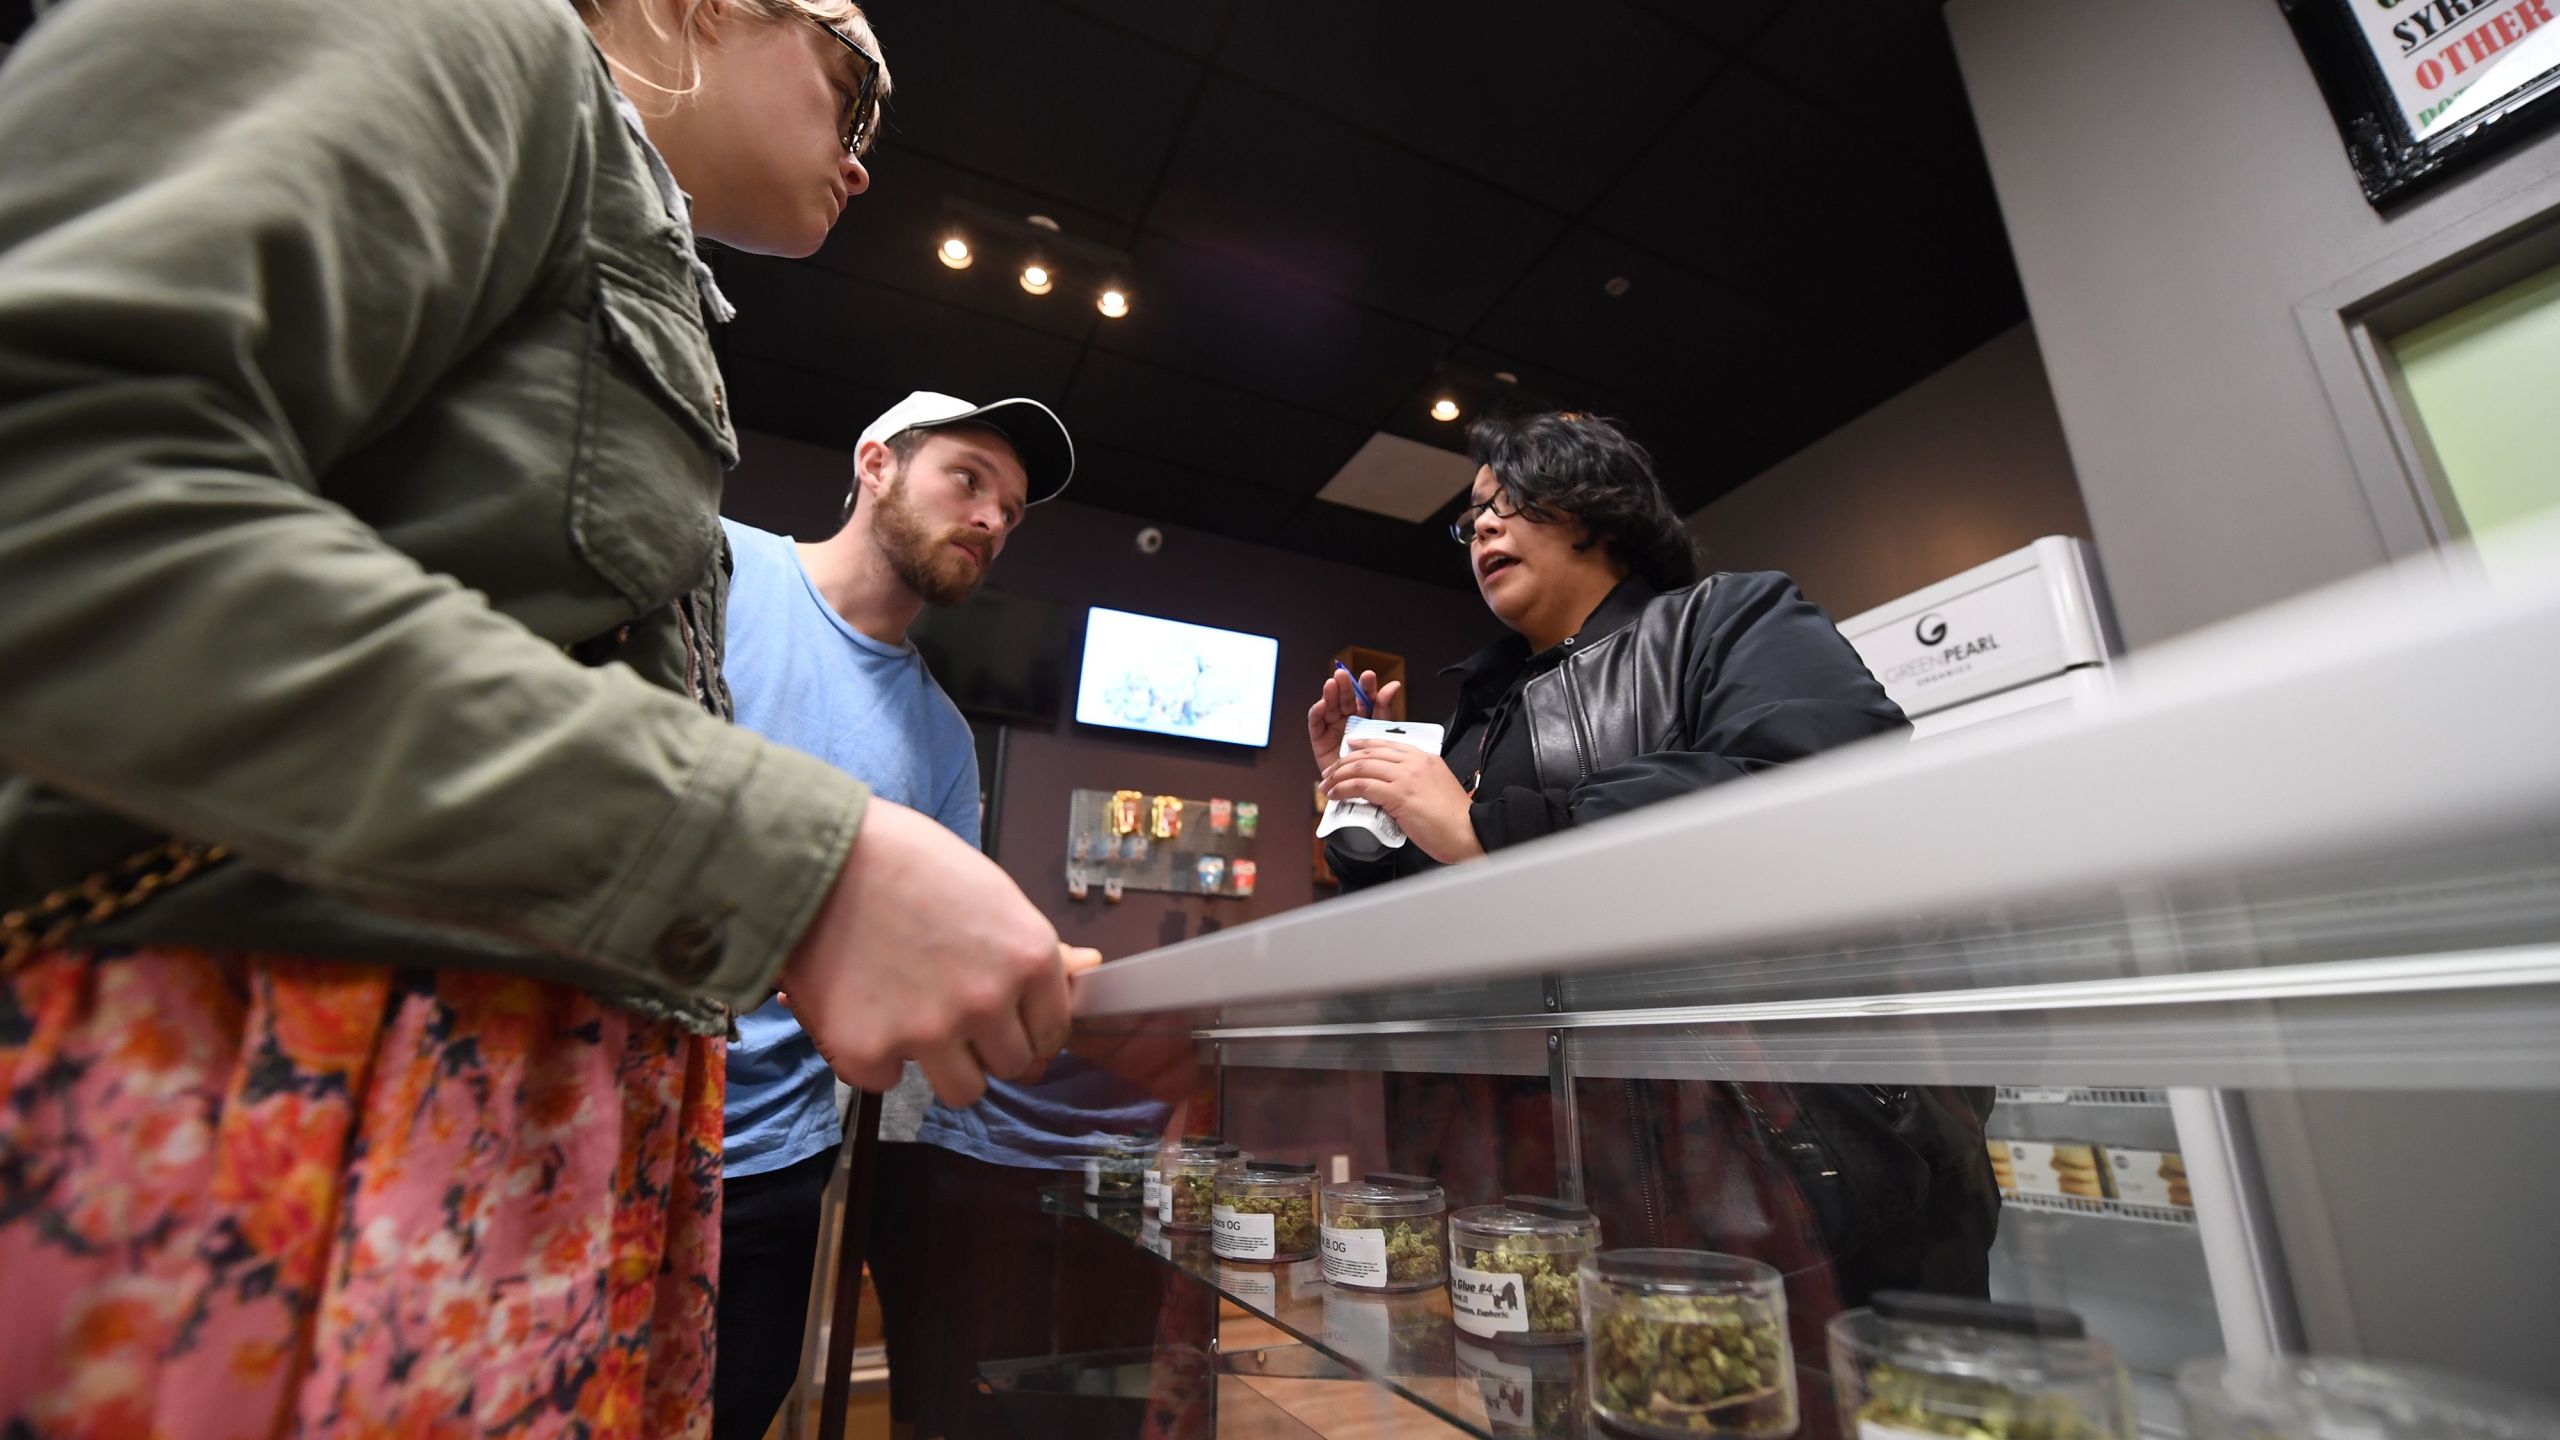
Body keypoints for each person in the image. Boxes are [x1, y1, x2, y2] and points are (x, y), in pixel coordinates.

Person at [0, 0, 1077, 1432]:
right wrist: (787, 864)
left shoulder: (612, 213)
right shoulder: (456, 34)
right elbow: (58, 484)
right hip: (266, 1094)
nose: (862, 158)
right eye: (854, 87)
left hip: (532, 1134)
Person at [1309, 410, 2001, 1339]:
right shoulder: (1479, 724)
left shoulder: (1728, 618)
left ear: (1598, 505)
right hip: (1551, 1180)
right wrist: (1363, 813)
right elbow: (1440, 935)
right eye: (1470, 519)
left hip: (1787, 1174)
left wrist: (1487, 826)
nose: (1481, 529)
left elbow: (1819, 779)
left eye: (1507, 502)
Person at [710, 390, 1078, 1440]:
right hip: (607, 1096)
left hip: (772, 1154)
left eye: (1010, 508)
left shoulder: (943, 744)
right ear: (874, 463)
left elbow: (915, 972)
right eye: (968, 479)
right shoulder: (720, 569)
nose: (992, 519)